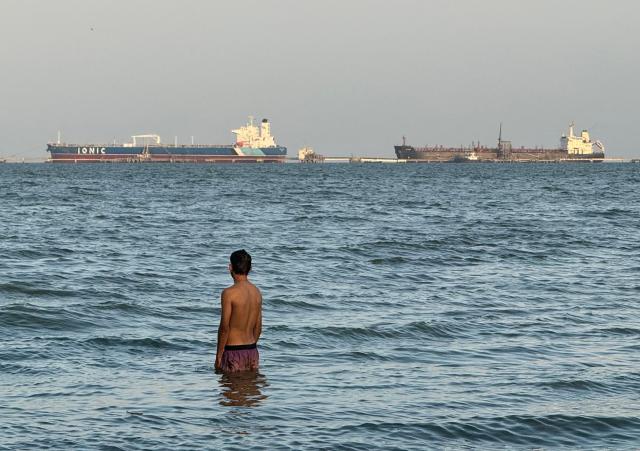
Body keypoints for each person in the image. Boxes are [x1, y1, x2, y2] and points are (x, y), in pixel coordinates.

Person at [215, 249, 262, 373]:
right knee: (250, 389)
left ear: (230, 267)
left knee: (231, 389)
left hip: (233, 351)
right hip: (252, 350)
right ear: (250, 268)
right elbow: (258, 327)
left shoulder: (229, 293)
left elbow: (224, 328)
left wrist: (219, 356)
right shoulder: (256, 292)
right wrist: (250, 347)